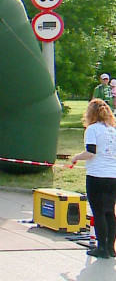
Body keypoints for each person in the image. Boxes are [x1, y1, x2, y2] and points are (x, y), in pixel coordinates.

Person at [71, 99, 116, 258]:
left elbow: (91, 152)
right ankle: (111, 248)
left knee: (98, 212)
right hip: (113, 175)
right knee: (110, 212)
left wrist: (75, 157)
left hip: (97, 175)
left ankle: (101, 248)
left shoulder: (92, 129)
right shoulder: (113, 130)